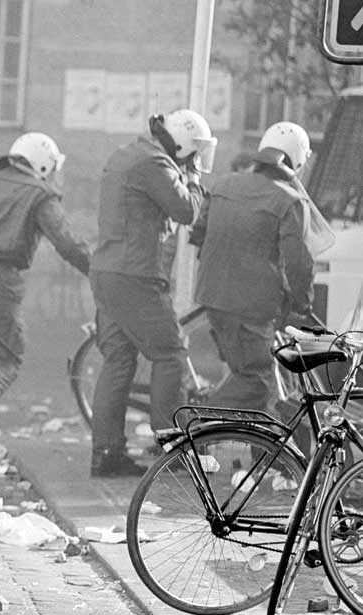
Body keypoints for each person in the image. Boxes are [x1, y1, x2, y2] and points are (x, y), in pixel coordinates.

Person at [0, 133, 91, 470]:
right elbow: (67, 244)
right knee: (7, 357)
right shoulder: (39, 194)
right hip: (1, 280)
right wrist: (98, 271)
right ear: (42, 164)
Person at [89, 109, 213, 477]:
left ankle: (107, 453)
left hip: (109, 271)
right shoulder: (154, 164)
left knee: (119, 362)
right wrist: (192, 178)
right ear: (184, 145)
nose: (196, 160)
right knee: (170, 354)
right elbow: (187, 210)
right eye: (195, 152)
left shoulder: (128, 154)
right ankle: (172, 448)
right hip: (136, 275)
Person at [190, 121, 316, 414]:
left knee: (246, 378)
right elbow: (299, 264)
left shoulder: (224, 184)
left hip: (212, 298)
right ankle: (193, 438)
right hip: (248, 309)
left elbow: (198, 234)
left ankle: (249, 454)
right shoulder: (289, 200)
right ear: (296, 160)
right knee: (256, 382)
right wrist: (302, 302)